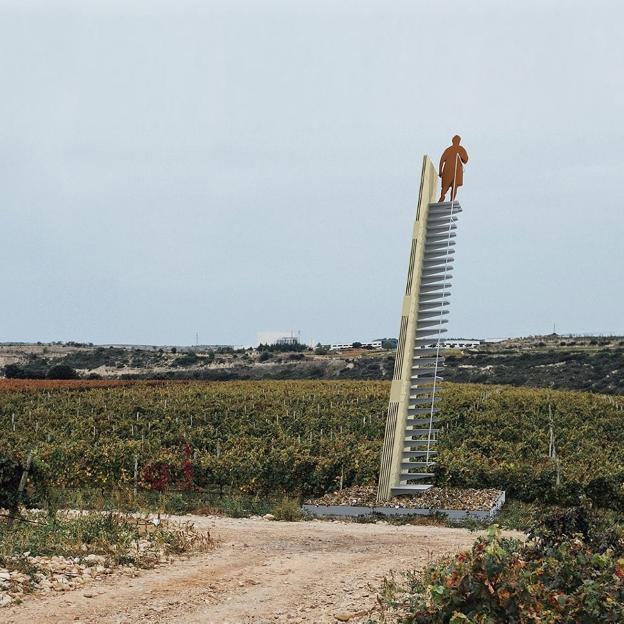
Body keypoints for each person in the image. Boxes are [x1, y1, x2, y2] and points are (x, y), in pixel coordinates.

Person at [438, 135, 469, 202]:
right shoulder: (457, 149)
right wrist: (440, 171)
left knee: (453, 185)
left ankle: (449, 199)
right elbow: (442, 160)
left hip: (455, 170)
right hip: (450, 170)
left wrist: (440, 170)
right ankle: (443, 197)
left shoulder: (456, 149)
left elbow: (466, 160)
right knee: (449, 186)